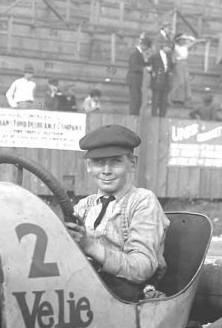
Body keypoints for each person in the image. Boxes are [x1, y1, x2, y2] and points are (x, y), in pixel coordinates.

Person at [66, 125, 168, 303]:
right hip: (86, 288)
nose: (106, 170)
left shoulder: (143, 202)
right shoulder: (83, 206)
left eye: (115, 161)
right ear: (88, 166)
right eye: (99, 162)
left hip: (127, 295)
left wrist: (90, 246)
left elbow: (142, 268)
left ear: (132, 164)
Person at [168, 32, 197, 105]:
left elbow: (193, 40)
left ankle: (182, 99)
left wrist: (186, 37)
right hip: (178, 64)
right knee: (179, 82)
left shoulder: (185, 47)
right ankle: (172, 98)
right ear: (178, 40)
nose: (183, 41)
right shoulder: (176, 47)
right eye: (181, 40)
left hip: (185, 65)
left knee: (185, 81)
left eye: (184, 40)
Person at [147, 39, 173, 118]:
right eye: (168, 47)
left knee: (164, 100)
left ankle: (162, 115)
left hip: (165, 80)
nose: (169, 49)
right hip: (157, 80)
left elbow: (170, 66)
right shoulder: (155, 56)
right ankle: (154, 115)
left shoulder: (169, 57)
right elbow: (149, 66)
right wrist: (153, 73)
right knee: (156, 99)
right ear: (163, 47)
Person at [126, 36, 150, 115]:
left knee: (138, 99)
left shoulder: (138, 54)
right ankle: (133, 116)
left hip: (137, 80)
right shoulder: (135, 53)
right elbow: (134, 66)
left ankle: (135, 115)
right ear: (144, 45)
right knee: (135, 99)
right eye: (146, 47)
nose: (146, 49)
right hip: (134, 79)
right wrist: (145, 69)